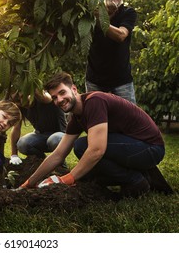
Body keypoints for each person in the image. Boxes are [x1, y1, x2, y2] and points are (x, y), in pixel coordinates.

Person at [19, 72, 172, 198]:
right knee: (84, 156)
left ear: (74, 89)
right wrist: (30, 182)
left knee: (83, 146)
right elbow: (58, 154)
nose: (59, 99)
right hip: (135, 148)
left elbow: (97, 150)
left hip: (150, 148)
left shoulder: (94, 102)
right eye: (54, 97)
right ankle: (135, 176)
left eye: (62, 92)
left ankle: (136, 181)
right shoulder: (77, 117)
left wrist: (67, 179)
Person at [86, 0, 137, 104]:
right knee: (96, 119)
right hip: (94, 81)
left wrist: (98, 18)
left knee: (130, 120)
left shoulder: (128, 13)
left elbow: (121, 35)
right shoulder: (88, 13)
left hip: (122, 82)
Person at [9, 90, 67, 165]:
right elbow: (16, 128)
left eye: (23, 97)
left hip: (60, 135)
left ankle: (61, 164)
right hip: (40, 135)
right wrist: (14, 155)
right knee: (22, 144)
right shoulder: (21, 107)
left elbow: (44, 95)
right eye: (18, 100)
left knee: (54, 139)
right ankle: (42, 161)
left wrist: (29, 82)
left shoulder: (43, 98)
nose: (22, 101)